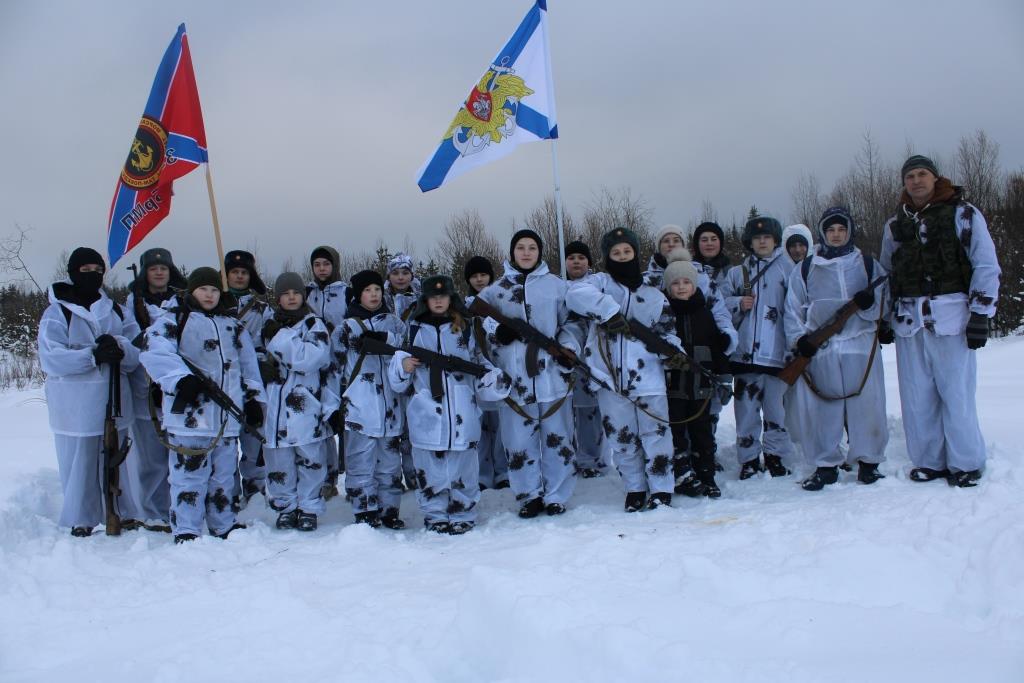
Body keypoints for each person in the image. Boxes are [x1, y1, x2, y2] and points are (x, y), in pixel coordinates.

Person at [880, 155, 1000, 487]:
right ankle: (929, 461)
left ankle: (966, 462)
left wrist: (981, 313)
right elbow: (887, 274)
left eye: (922, 174)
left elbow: (986, 265)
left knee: (956, 393)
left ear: (935, 178)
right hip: (909, 321)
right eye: (910, 177)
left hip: (952, 319)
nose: (916, 181)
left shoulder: (964, 215)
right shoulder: (895, 225)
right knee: (917, 396)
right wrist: (885, 318)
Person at [140, 267, 266, 543]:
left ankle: (223, 524)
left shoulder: (233, 325)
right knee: (189, 478)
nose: (209, 295)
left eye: (213, 290)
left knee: (223, 476)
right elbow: (155, 352)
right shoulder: (175, 320)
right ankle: (187, 528)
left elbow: (248, 368)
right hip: (190, 416)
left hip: (227, 416)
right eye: (203, 289)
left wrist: (254, 400)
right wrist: (179, 380)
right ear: (191, 291)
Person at [567, 228, 684, 511]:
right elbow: (575, 293)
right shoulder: (599, 283)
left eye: (626, 252)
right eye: (615, 253)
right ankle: (634, 488)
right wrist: (609, 312)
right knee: (621, 438)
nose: (621, 257)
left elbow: (668, 331)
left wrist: (672, 352)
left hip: (649, 378)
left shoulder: (653, 294)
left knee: (656, 436)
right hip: (609, 379)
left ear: (635, 254)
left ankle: (661, 488)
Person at [388, 275, 510, 534]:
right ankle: (434, 515)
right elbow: (397, 374)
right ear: (426, 300)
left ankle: (463, 512)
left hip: (461, 412)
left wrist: (493, 380)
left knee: (463, 467)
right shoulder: (413, 330)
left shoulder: (464, 328)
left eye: (443, 296)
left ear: (451, 298)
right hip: (426, 415)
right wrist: (403, 366)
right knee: (429, 470)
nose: (439, 301)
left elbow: (480, 362)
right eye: (434, 297)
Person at [477, 229, 581, 518]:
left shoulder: (557, 286)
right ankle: (528, 495)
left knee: (558, 438)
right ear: (512, 252)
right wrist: (497, 329)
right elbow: (475, 320)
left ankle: (557, 494)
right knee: (518, 442)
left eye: (532, 247)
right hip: (513, 380)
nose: (526, 253)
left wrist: (568, 348)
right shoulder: (495, 290)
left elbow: (572, 323)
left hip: (552, 376)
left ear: (539, 252)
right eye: (520, 247)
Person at [38, 247, 142, 537]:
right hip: (76, 406)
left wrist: (120, 348)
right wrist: (93, 355)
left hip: (115, 400)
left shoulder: (117, 310)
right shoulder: (57, 313)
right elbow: (51, 357)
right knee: (81, 463)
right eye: (86, 271)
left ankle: (120, 512)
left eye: (98, 271)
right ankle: (81, 517)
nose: (93, 276)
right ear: (73, 273)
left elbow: (137, 352)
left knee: (118, 459)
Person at [787, 208, 889, 491]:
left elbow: (884, 302)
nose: (836, 234)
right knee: (823, 408)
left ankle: (869, 463)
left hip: (860, 343)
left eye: (841, 230)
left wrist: (870, 304)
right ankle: (825, 466)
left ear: (849, 232)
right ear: (823, 233)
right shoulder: (806, 267)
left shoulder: (867, 264)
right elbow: (793, 308)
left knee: (867, 406)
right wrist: (800, 340)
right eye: (830, 230)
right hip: (823, 348)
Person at [721, 216, 798, 479]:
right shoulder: (737, 273)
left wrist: (793, 347)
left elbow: (796, 310)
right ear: (750, 242)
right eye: (757, 237)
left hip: (777, 355)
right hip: (743, 356)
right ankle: (749, 459)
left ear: (776, 240)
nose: (762, 241)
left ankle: (775, 456)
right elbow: (719, 308)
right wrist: (737, 304)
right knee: (746, 413)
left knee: (776, 412)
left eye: (767, 237)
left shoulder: (789, 270)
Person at [259, 272, 337, 531]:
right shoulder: (268, 324)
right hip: (276, 407)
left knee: (310, 459)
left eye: (296, 293)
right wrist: (263, 369)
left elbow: (308, 359)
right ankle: (286, 506)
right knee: (279, 462)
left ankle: (309, 506)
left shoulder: (313, 325)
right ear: (278, 297)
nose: (291, 298)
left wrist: (281, 338)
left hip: (305, 405)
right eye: (285, 293)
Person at [333, 269, 408, 528]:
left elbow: (408, 348)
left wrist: (386, 339)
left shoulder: (394, 323)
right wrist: (333, 405)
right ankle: (364, 509)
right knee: (360, 460)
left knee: (389, 461)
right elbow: (334, 368)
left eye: (377, 289)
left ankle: (389, 509)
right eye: (367, 290)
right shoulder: (346, 328)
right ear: (358, 295)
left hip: (391, 403)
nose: (373, 295)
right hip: (359, 406)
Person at [662, 248, 736, 498]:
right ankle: (682, 473)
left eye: (686, 282)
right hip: (674, 384)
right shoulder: (665, 314)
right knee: (676, 431)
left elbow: (717, 348)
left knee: (702, 432)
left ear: (694, 284)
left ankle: (706, 475)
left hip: (702, 383)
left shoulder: (704, 312)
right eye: (675, 283)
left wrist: (724, 376)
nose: (681, 287)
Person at [124, 248, 187, 532]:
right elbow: (128, 340)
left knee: (183, 453)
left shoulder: (184, 301)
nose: (159, 273)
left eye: (163, 268)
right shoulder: (132, 304)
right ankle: (155, 510)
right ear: (145, 273)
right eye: (153, 268)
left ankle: (184, 508)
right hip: (145, 388)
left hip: (178, 386)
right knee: (151, 457)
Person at [224, 250, 270, 508]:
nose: (239, 277)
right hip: (222, 382)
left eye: (244, 273)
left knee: (254, 439)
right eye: (235, 273)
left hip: (253, 380)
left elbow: (268, 341)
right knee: (226, 442)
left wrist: (263, 364)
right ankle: (226, 495)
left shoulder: (261, 308)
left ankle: (255, 493)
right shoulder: (215, 303)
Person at [464, 255, 509, 490]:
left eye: (483, 275)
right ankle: (482, 473)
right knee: (480, 427)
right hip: (477, 372)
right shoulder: (464, 307)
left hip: (502, 367)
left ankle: (503, 471)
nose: (480, 279)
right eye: (474, 276)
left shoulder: (500, 301)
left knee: (503, 426)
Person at [305, 245, 347, 498]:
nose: (322, 269)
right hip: (314, 368)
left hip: (342, 366)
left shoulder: (346, 292)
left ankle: (354, 477)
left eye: (326, 264)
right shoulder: (306, 293)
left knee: (347, 424)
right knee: (321, 423)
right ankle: (327, 479)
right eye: (317, 264)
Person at [563, 240, 606, 478]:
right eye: (571, 258)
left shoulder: (599, 285)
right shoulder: (559, 289)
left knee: (592, 412)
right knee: (572, 413)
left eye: (581, 257)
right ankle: (573, 457)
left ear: (589, 262)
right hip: (568, 358)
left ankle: (592, 458)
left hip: (596, 358)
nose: (576, 261)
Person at [383, 252, 421, 491]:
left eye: (405, 272)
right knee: (389, 425)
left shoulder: (421, 297)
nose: (400, 277)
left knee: (412, 424)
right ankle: (389, 479)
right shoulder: (380, 297)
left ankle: (415, 475)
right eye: (396, 273)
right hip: (385, 365)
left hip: (413, 364)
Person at [643, 224, 687, 290]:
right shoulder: (644, 280)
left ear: (683, 245)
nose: (671, 244)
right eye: (666, 241)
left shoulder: (697, 275)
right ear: (659, 247)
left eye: (676, 241)